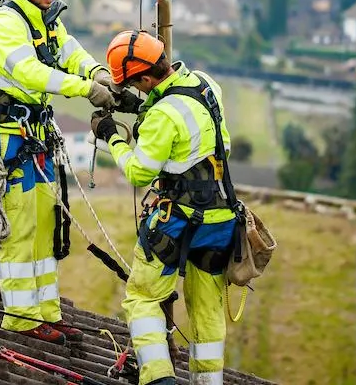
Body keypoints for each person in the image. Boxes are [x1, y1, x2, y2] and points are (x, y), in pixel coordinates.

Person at [0, 0, 117, 345]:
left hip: (35, 140)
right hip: (10, 143)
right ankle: (21, 319)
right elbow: (32, 74)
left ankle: (46, 313)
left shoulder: (47, 19)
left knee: (44, 229)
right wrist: (82, 88)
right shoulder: (6, 24)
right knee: (20, 229)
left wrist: (95, 72)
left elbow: (70, 50)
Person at [90, 30, 242, 385]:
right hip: (221, 217)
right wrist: (138, 104)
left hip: (178, 220)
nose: (136, 89)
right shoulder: (206, 84)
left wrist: (112, 134)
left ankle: (159, 378)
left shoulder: (162, 116)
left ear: (144, 77)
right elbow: (187, 119)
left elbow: (139, 172)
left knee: (142, 299)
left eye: (135, 84)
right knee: (206, 310)